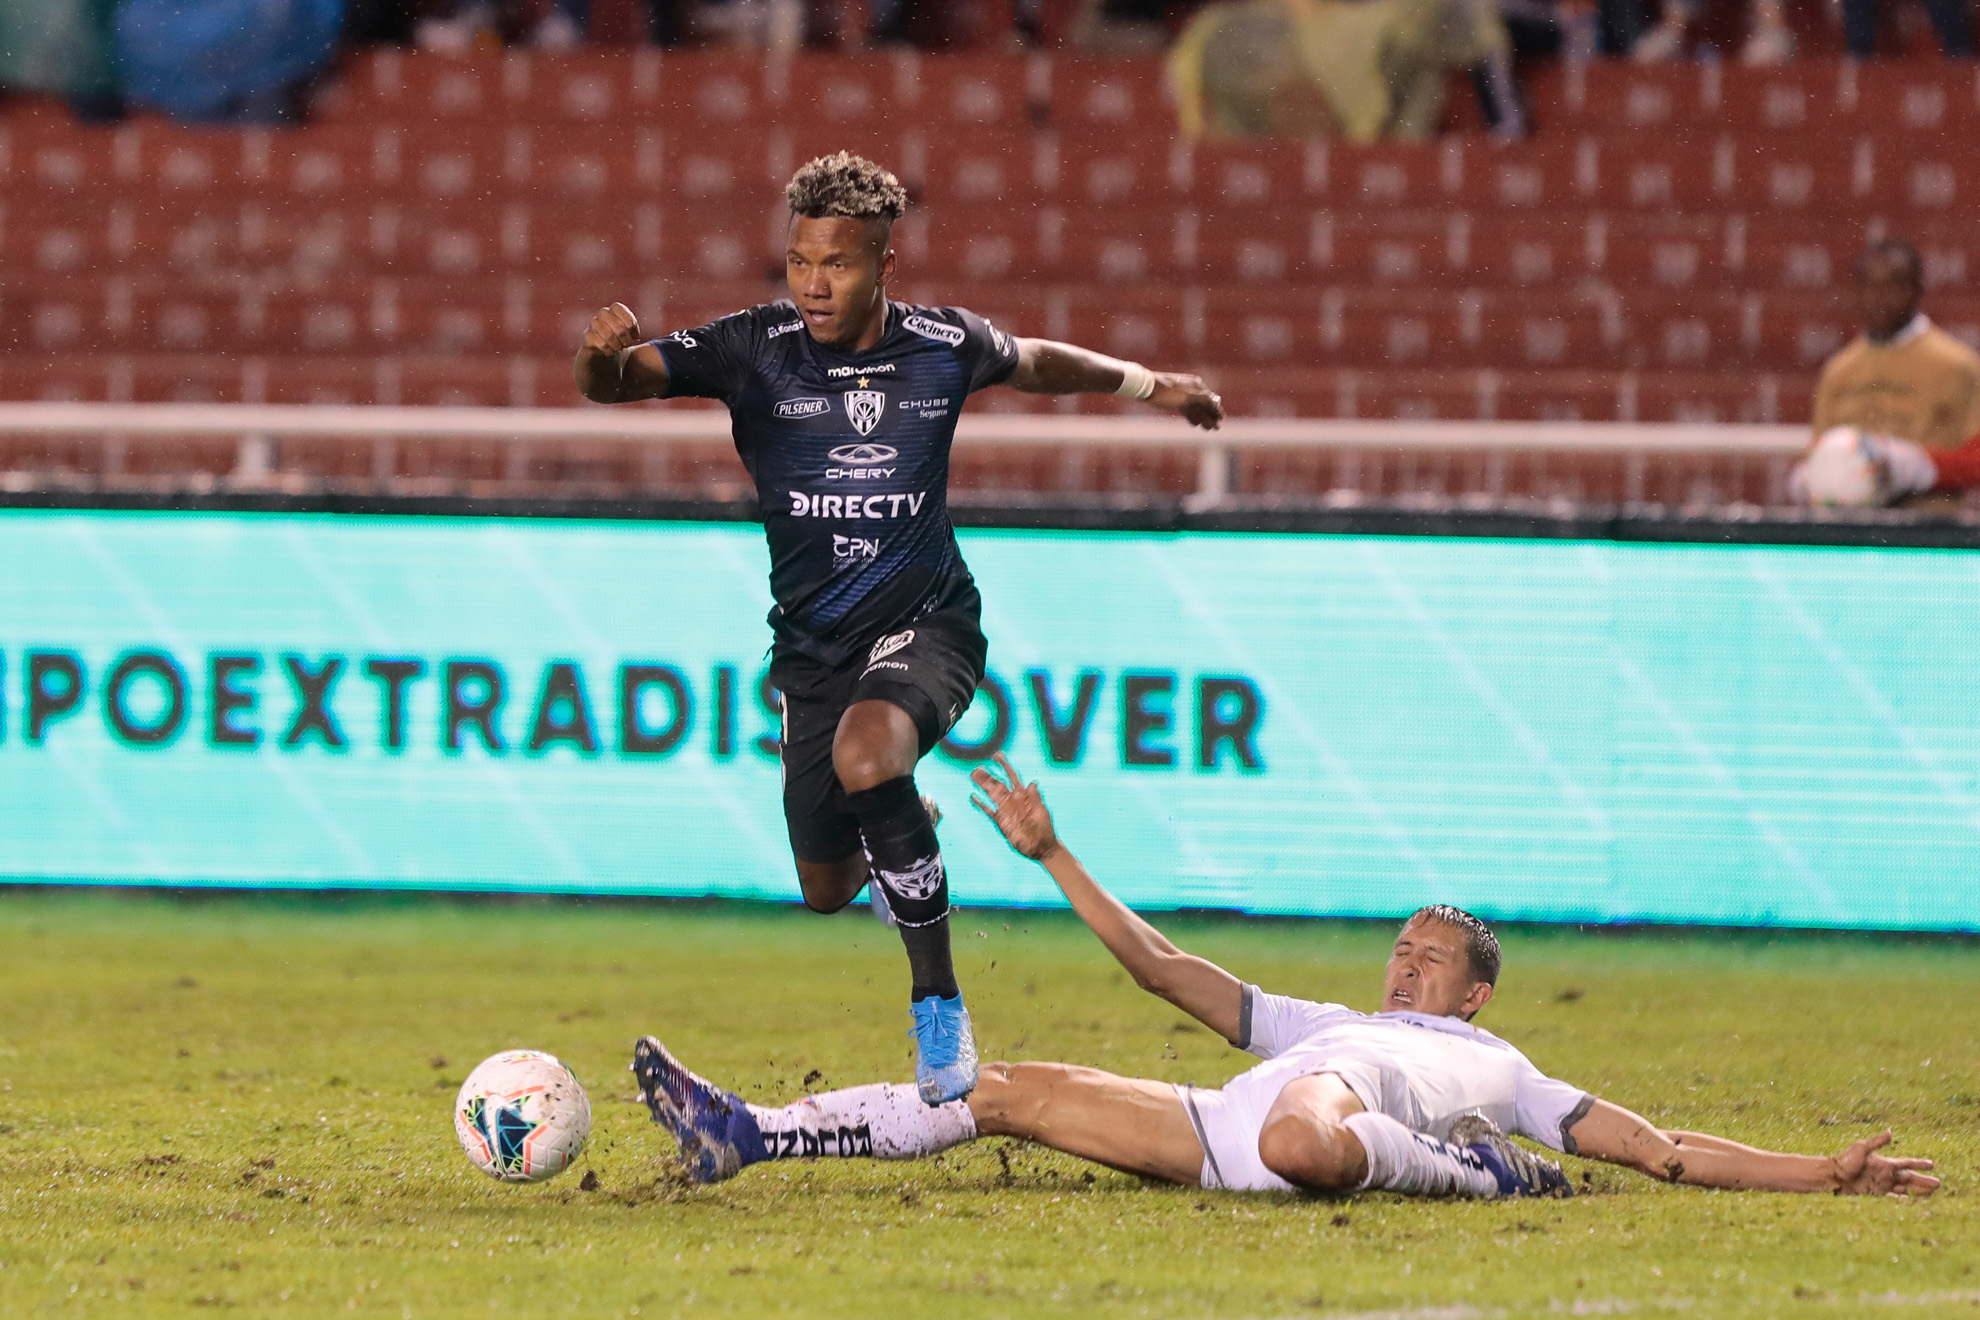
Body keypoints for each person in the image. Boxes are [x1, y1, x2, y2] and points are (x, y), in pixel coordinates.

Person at [575, 154, 1223, 1106]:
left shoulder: (942, 344)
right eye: (799, 261)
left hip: (931, 624)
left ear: (884, 262)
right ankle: (899, 839)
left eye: (836, 264)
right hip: (813, 653)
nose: (813, 284)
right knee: (825, 888)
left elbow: (1039, 362)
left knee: (868, 753)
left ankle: (938, 1004)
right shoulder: (754, 346)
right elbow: (615, 383)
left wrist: (1151, 385)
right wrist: (598, 353)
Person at [633, 755, 1941, 1201]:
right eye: (1401, 947)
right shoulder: (1331, 1023)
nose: (1406, 963)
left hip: (1316, 1130)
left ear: (1475, 996)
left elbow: (1663, 1151)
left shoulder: (1507, 1073)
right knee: (1005, 1089)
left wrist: (1817, 1171)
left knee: (1308, 1136)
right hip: (1228, 1131)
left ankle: (1473, 1180)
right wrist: (1054, 854)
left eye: (1431, 957)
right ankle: (753, 1134)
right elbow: (1164, 972)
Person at [1797, 238, 1980, 508]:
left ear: (1917, 288)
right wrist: (1813, 475)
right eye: (1869, 285)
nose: (1879, 297)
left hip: (1927, 525)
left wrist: (1920, 466)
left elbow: (1976, 459)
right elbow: (1821, 449)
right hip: (1851, 528)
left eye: (1893, 285)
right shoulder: (1839, 371)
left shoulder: (1957, 365)